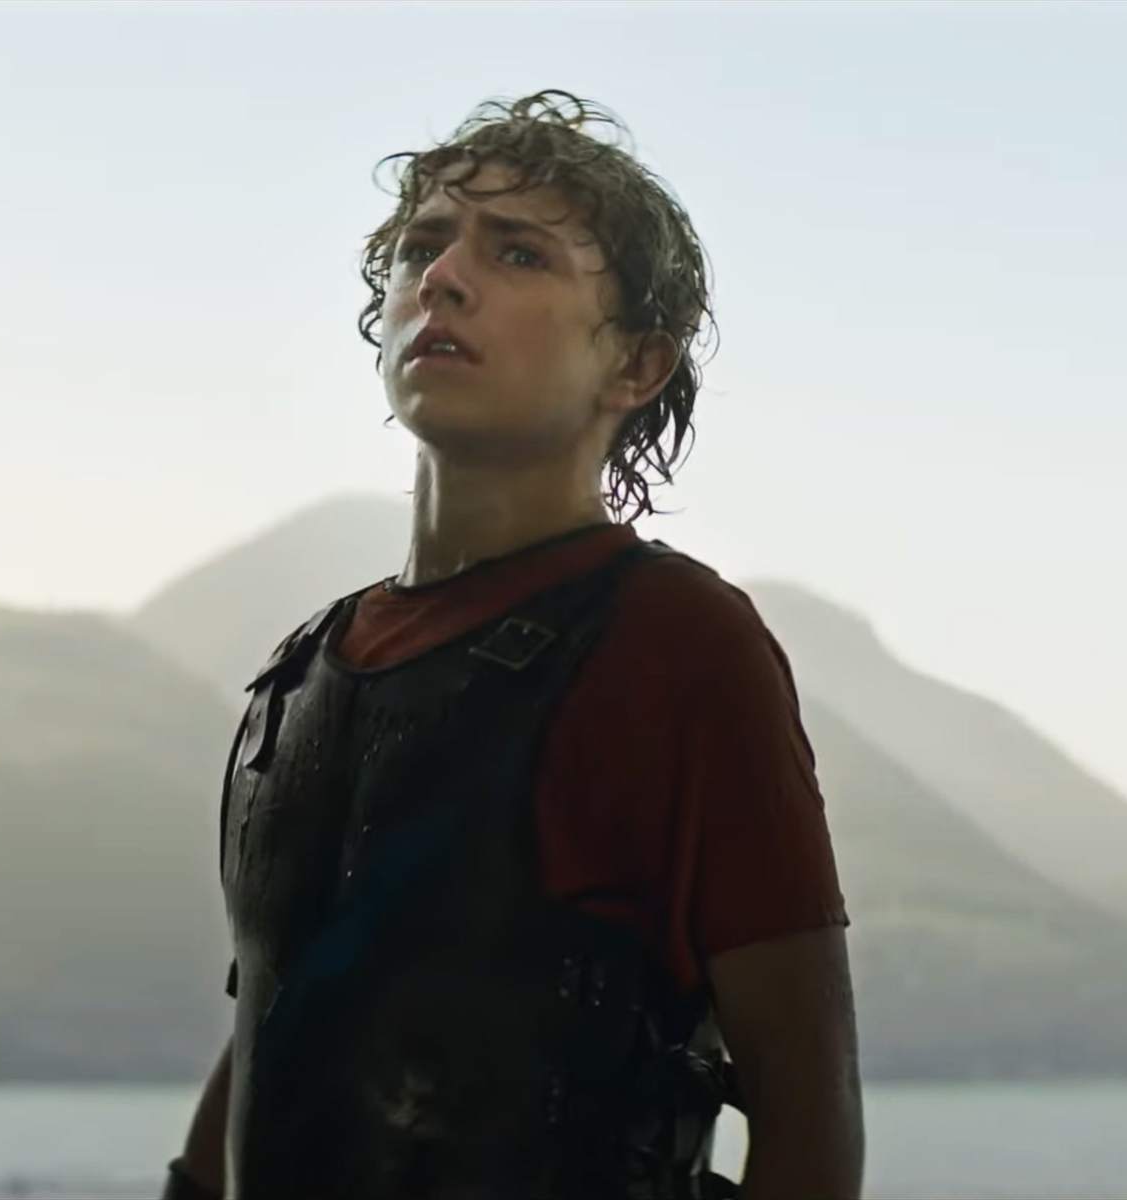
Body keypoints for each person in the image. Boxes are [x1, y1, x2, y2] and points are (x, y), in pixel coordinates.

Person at [164, 90, 863, 1200]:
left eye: (520, 253)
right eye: (422, 245)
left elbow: (810, 1121)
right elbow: (278, 1030)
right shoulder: (301, 670)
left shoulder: (676, 643)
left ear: (635, 364)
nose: (442, 277)